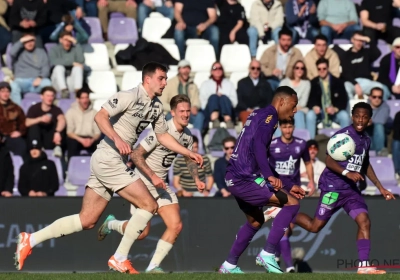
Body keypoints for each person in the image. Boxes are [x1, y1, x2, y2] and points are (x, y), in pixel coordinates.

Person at [14, 62, 203, 274]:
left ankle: (30, 239)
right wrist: (116, 138)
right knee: (149, 205)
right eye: (161, 78)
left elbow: (162, 136)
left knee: (86, 220)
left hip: (111, 161)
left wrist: (188, 152)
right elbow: (100, 116)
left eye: (166, 78)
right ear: (147, 79)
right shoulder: (129, 96)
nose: (165, 82)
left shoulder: (157, 107)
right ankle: (120, 258)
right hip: (108, 157)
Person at [267, 102, 395, 275]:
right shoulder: (343, 136)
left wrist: (380, 187)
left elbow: (365, 163)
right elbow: (328, 160)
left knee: (364, 221)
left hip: (350, 191)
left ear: (369, 120)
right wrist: (347, 173)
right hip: (333, 187)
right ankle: (285, 212)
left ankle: (364, 266)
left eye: (365, 117)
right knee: (314, 227)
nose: (360, 120)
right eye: (357, 116)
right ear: (352, 116)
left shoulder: (366, 139)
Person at [96, 94, 204, 273]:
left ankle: (153, 267)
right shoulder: (161, 130)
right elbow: (136, 155)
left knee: (176, 225)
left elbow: (188, 158)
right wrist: (153, 176)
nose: (186, 115)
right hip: (144, 184)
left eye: (187, 111)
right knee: (142, 234)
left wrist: (197, 179)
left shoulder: (188, 135)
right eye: (181, 111)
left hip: (161, 186)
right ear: (173, 113)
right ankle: (112, 224)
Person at [218, 86, 306, 274]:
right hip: (244, 178)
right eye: (294, 104)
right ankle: (267, 254)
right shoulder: (271, 118)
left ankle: (229, 265)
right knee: (292, 204)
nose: (295, 109)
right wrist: (269, 177)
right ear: (282, 101)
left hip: (234, 176)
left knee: (255, 221)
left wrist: (289, 185)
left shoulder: (258, 114)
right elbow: (259, 146)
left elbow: (260, 153)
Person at [263, 118, 315, 273]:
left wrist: (311, 181)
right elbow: (262, 164)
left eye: (290, 126)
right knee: (285, 228)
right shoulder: (272, 145)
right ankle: (290, 267)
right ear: (280, 128)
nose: (287, 130)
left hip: (294, 189)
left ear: (293, 127)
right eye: (284, 127)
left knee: (288, 228)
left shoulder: (301, 144)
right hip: (277, 189)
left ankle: (275, 255)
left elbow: (307, 163)